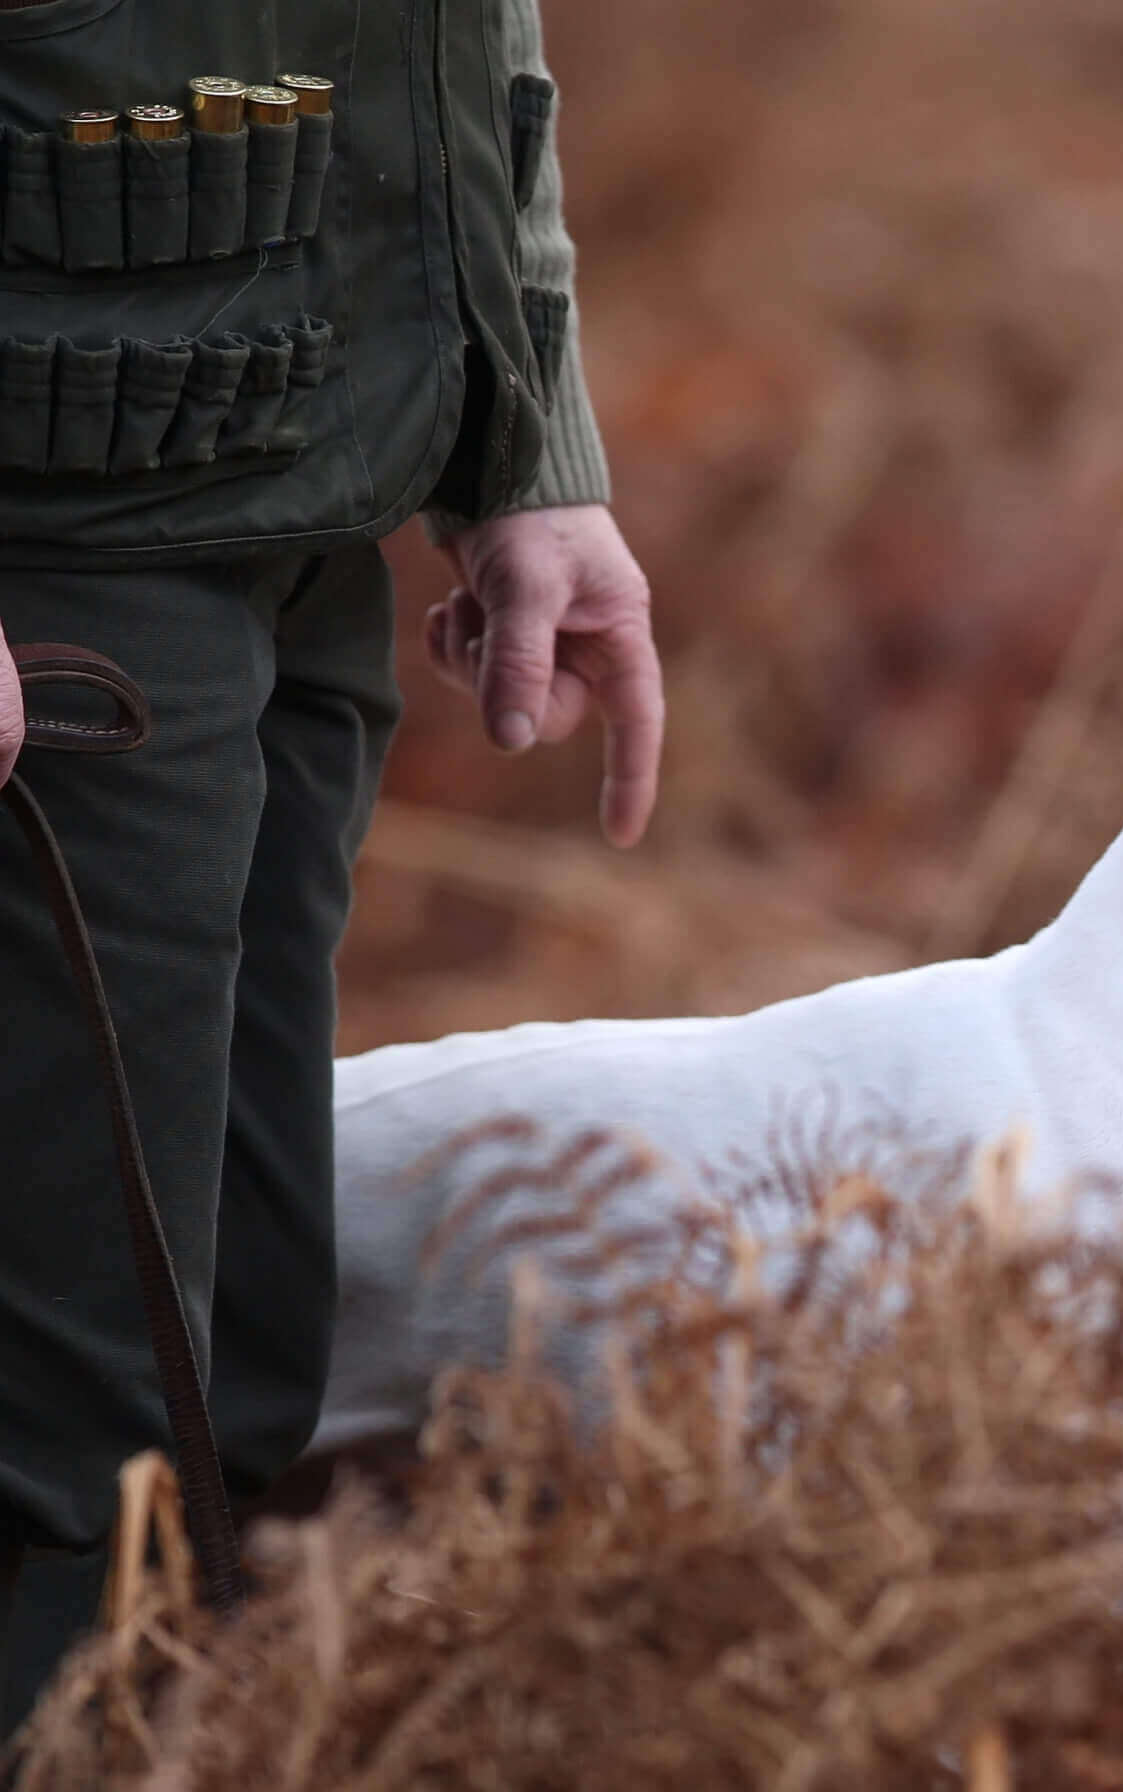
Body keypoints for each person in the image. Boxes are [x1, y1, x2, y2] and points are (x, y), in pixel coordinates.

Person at [0, 0, 663, 1741]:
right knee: (71, 1440)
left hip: (308, 512)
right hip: (63, 571)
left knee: (241, 1370)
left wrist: (528, 447)